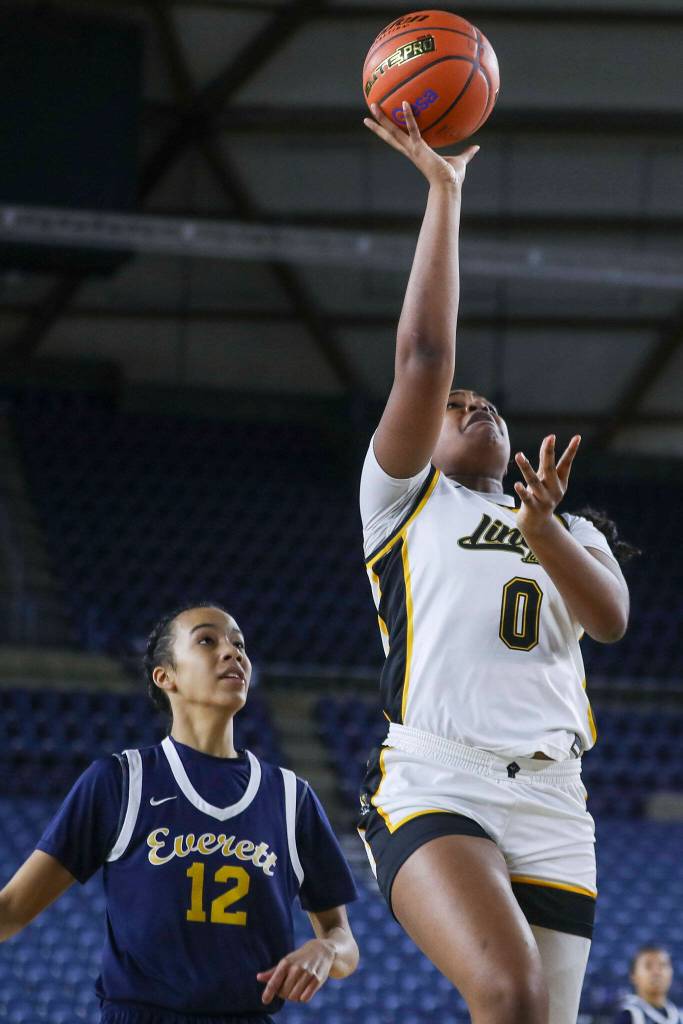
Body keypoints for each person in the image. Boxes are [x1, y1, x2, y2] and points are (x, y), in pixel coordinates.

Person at [357, 100, 634, 1024]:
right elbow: (425, 353)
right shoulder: (403, 501)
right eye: (453, 406)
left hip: (556, 795)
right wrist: (445, 189)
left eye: (485, 404)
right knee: (508, 993)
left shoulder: (566, 524)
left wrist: (548, 528)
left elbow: (609, 622)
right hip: (440, 775)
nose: (470, 405)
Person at [0, 603, 359, 1024]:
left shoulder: (290, 796)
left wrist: (327, 949)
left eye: (239, 644)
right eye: (208, 640)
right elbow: (11, 910)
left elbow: (344, 943)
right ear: (165, 676)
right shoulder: (120, 781)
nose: (233, 652)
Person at [615, 946, 681, 1023]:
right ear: (633, 975)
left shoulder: (678, 1015)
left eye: (663, 965)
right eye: (648, 966)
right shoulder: (627, 1015)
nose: (657, 972)